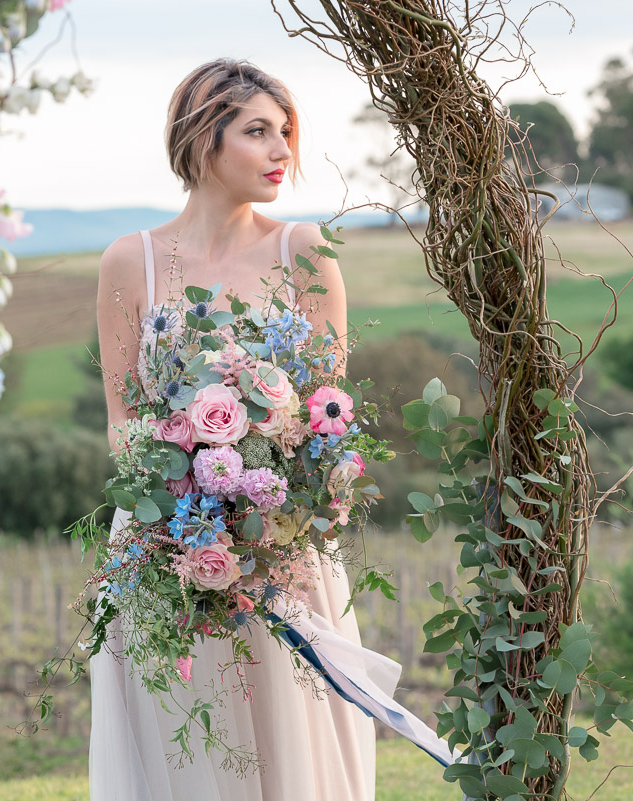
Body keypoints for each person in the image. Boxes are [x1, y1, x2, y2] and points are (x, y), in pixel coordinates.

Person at [90, 58, 375, 801]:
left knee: (292, 740)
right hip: (164, 544)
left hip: (283, 546)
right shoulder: (133, 260)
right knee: (179, 732)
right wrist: (183, 498)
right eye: (257, 132)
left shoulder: (305, 253)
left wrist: (261, 516)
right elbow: (123, 420)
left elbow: (325, 415)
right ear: (201, 138)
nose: (283, 151)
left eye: (286, 133)